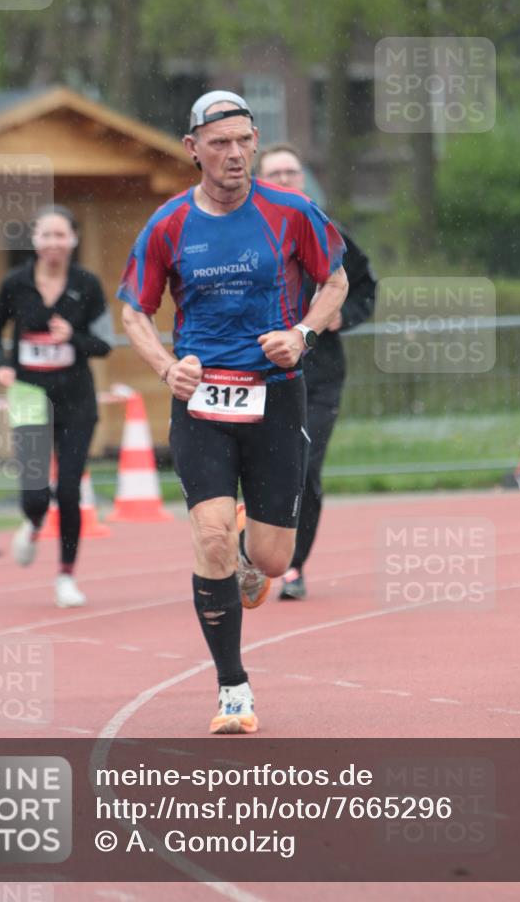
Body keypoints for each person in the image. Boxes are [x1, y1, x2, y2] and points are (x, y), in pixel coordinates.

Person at [118, 91, 348, 733]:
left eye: (245, 139)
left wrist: (302, 334)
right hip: (202, 400)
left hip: (276, 392)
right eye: (220, 142)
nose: (236, 153)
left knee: (273, 560)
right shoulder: (168, 225)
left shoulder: (292, 211)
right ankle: (233, 690)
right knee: (210, 533)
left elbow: (338, 281)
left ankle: (253, 551)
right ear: (193, 150)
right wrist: (167, 366)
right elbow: (135, 307)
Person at [258, 143, 377, 599]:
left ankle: (293, 565)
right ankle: (251, 551)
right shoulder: (241, 235)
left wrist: (345, 316)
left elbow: (365, 286)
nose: (285, 179)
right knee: (259, 468)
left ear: (303, 179)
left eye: (292, 171)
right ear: (258, 180)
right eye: (275, 173)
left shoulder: (330, 233)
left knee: (304, 468)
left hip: (319, 373)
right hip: (257, 371)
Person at [0, 205, 114, 608]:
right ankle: (33, 520)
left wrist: (72, 336)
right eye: (46, 235)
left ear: (73, 240)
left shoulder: (87, 284)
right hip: (28, 394)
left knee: (71, 489)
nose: (54, 243)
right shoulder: (15, 283)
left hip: (76, 398)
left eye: (62, 235)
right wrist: (2, 366)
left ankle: (66, 576)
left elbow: (104, 344)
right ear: (35, 240)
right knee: (36, 492)